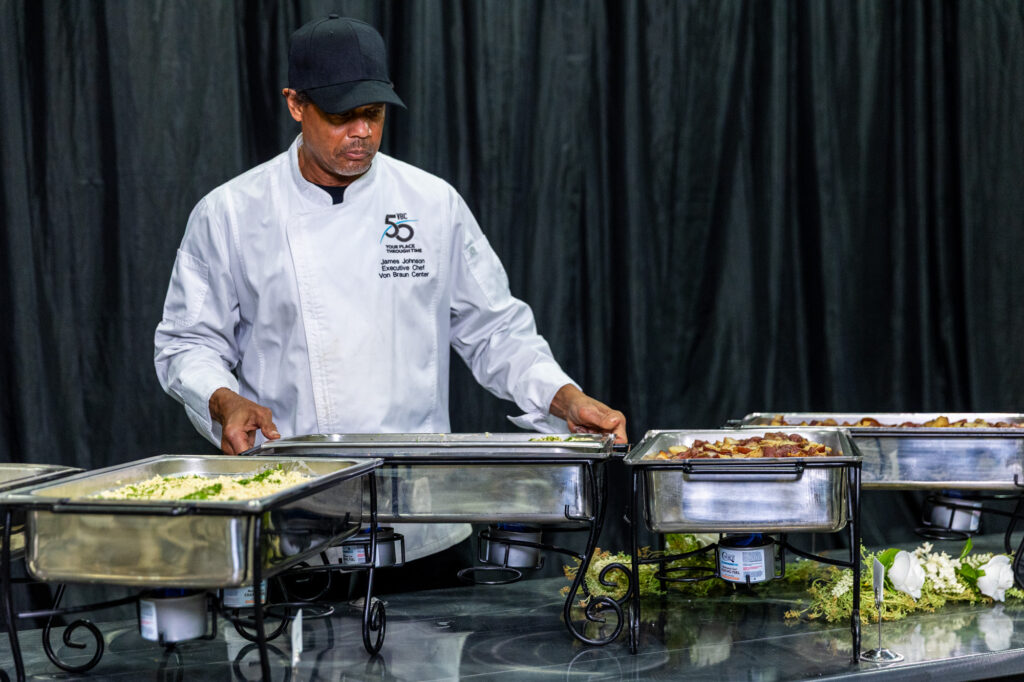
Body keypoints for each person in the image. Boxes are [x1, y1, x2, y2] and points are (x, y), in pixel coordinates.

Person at [154, 15, 626, 570]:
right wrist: (222, 399)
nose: (362, 134)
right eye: (341, 116)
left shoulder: (431, 204)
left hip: (424, 525)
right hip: (291, 522)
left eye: (373, 115)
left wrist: (563, 396)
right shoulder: (231, 213)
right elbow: (186, 343)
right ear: (294, 104)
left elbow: (496, 331)